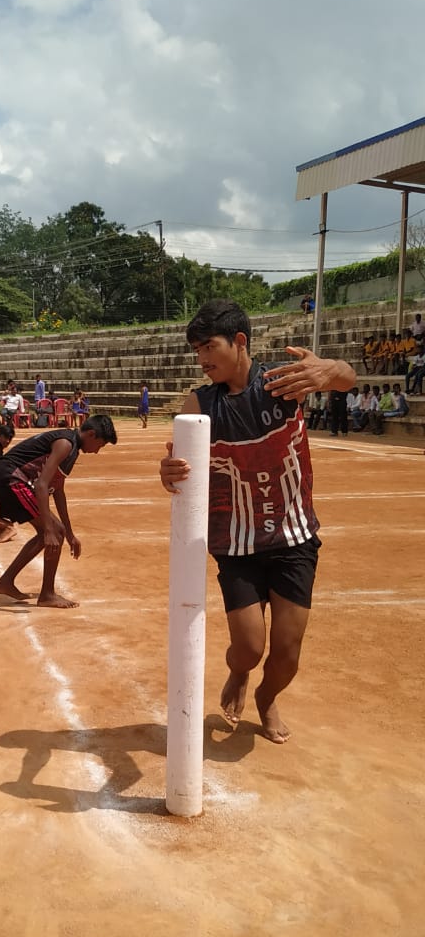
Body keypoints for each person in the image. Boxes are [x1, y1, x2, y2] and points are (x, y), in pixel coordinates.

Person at [159, 298, 355, 745]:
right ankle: (239, 674)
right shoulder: (200, 402)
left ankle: (267, 698)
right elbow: (181, 467)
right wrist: (166, 473)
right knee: (247, 647)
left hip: (293, 537)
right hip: (235, 543)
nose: (202, 359)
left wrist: (330, 369)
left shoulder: (283, 382)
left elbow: (347, 378)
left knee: (286, 655)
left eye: (209, 347)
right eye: (196, 351)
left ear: (240, 341)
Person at [0, 415, 117, 609]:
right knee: (53, 532)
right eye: (100, 444)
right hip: (10, 478)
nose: (97, 451)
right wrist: (49, 528)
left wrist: (70, 534)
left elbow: (58, 491)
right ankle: (47, 594)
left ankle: (6, 582)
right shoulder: (65, 444)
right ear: (91, 434)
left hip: (10, 478)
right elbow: (41, 485)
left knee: (57, 531)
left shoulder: (70, 446)